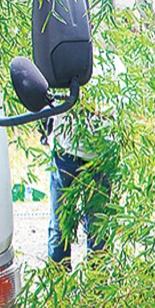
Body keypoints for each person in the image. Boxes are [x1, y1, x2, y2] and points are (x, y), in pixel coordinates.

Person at [44, 55, 124, 269]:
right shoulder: (62, 60)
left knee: (98, 227)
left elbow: (118, 109)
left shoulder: (112, 64)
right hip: (66, 152)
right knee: (60, 223)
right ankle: (57, 285)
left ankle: (97, 290)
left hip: (99, 158)